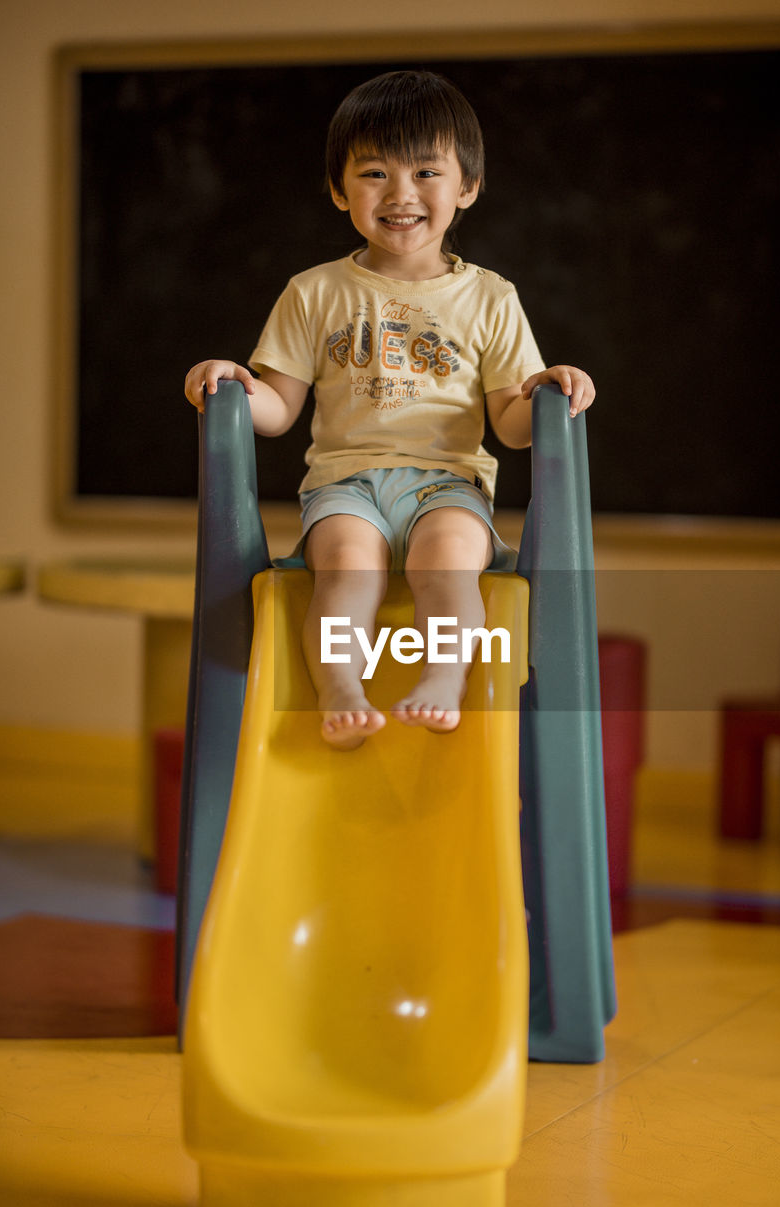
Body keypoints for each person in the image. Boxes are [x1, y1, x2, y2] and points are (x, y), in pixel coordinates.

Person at [185, 69, 594, 749]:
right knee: (347, 566)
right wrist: (234, 385)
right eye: (374, 173)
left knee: (450, 559)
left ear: (466, 187)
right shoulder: (314, 293)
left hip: (446, 487)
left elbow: (511, 427)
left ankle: (443, 677)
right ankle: (340, 687)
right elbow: (279, 409)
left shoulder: (490, 299)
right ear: (340, 190)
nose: (401, 194)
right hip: (346, 488)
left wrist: (551, 389)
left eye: (427, 171)